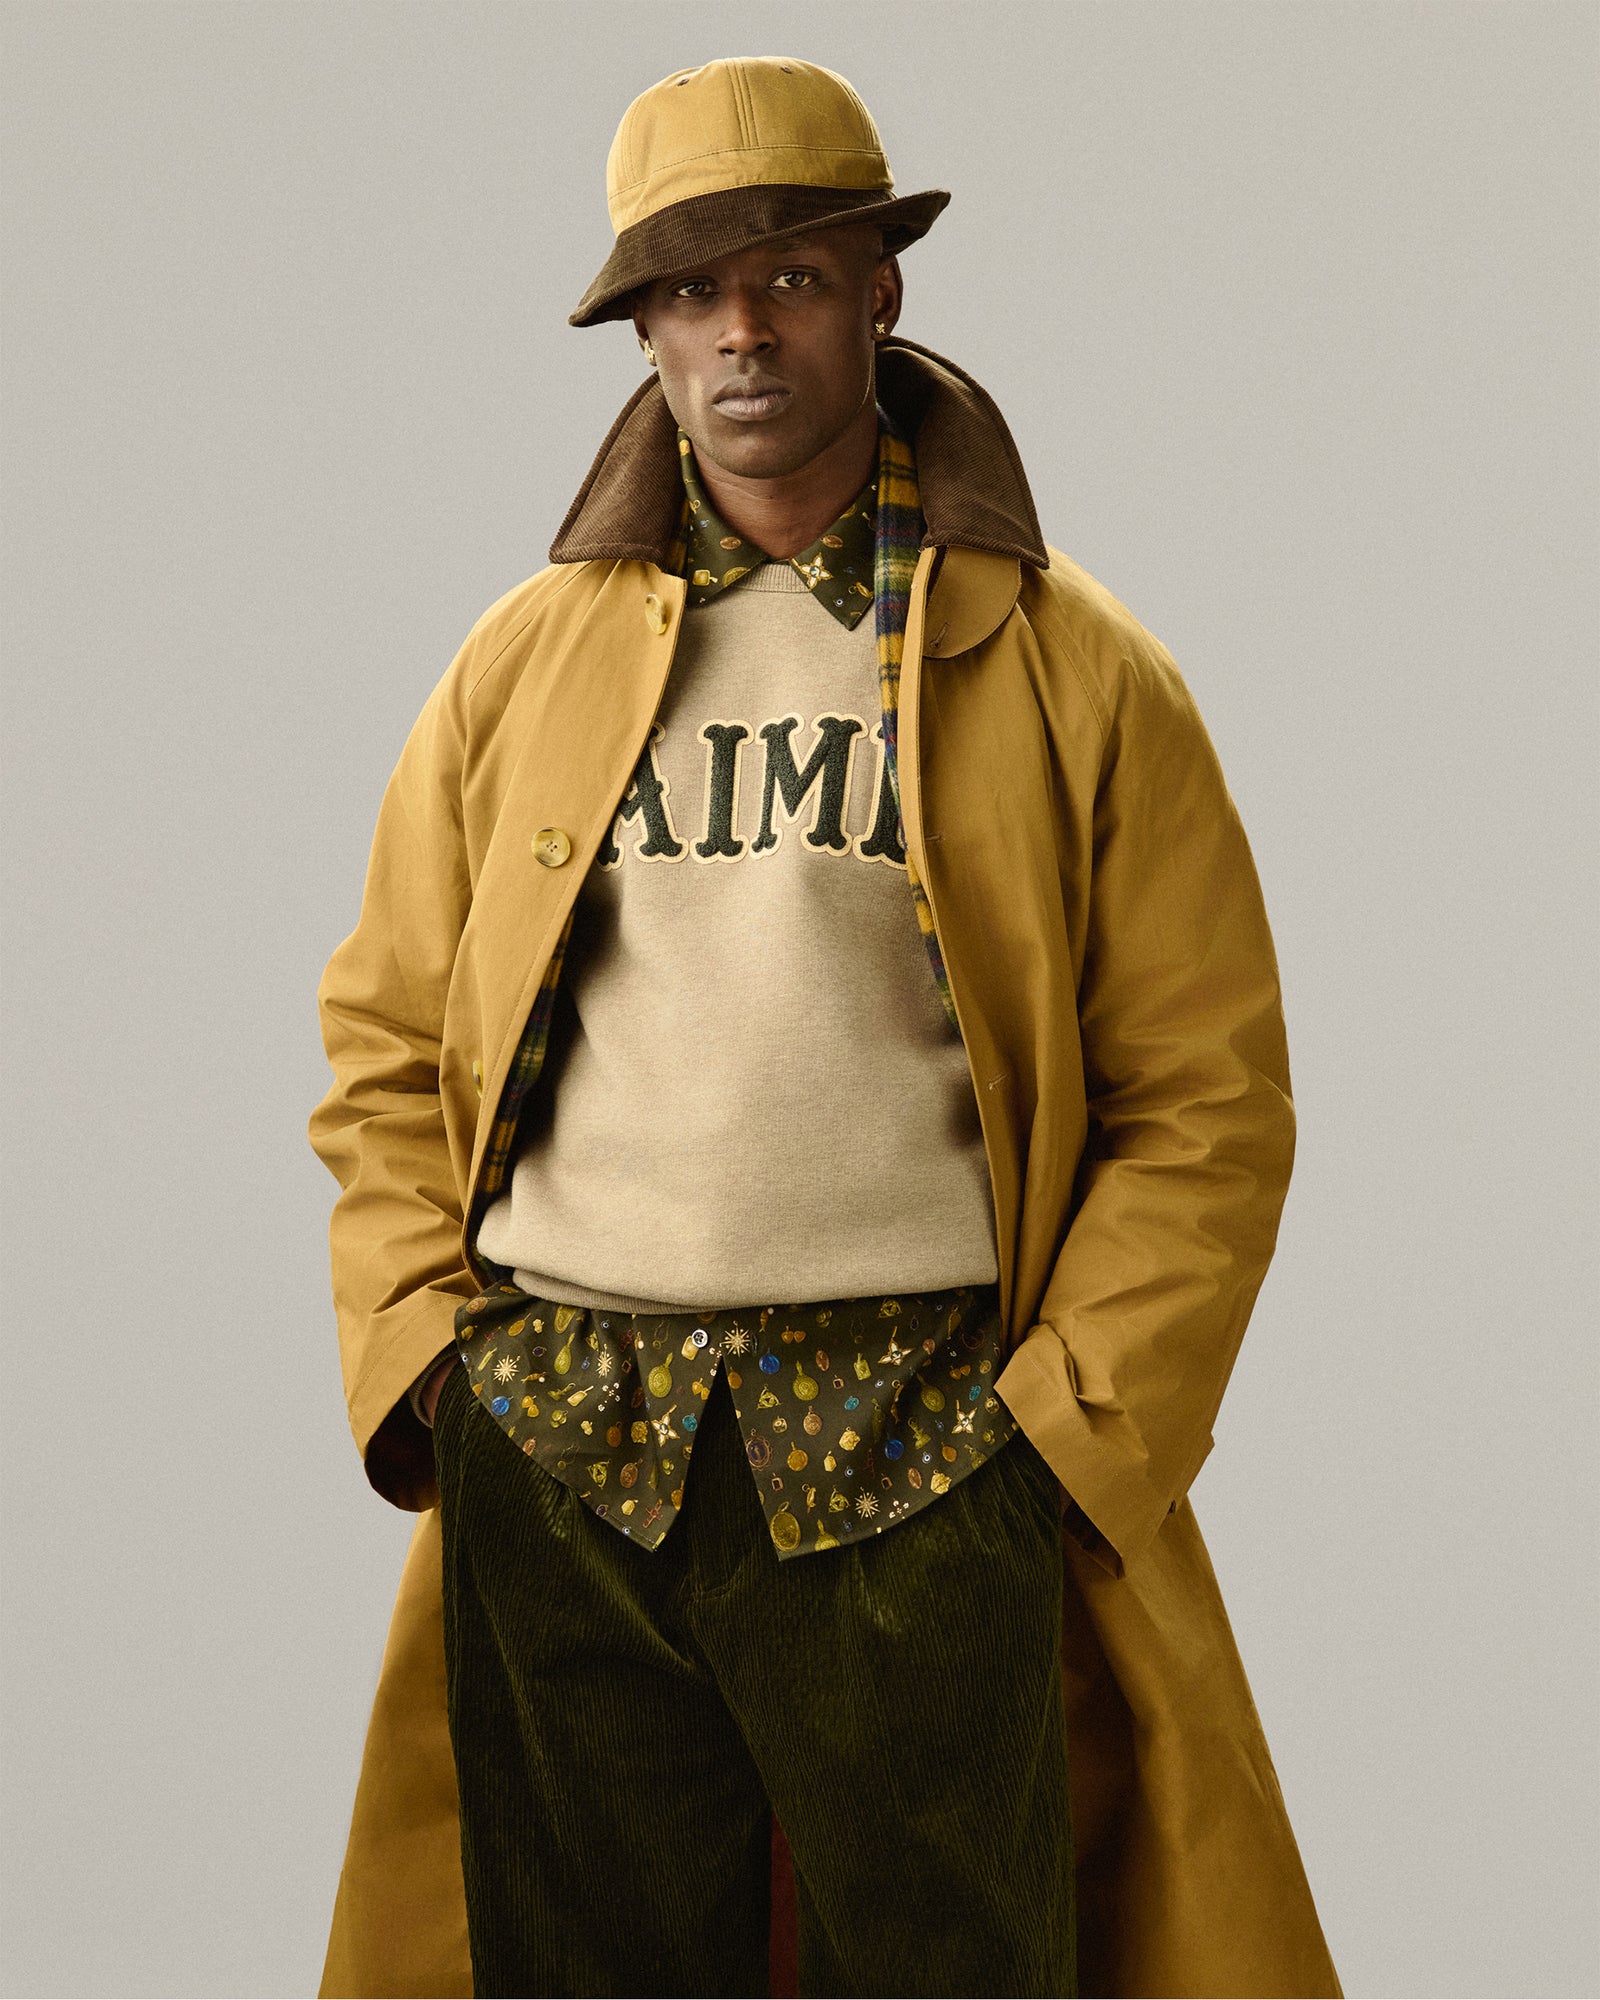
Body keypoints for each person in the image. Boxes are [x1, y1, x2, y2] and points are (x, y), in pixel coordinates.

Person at [309, 56, 1341, 2000]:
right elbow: (381, 1043)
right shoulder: (517, 666)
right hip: (570, 1433)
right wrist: (434, 1364)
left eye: (786, 275)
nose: (739, 332)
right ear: (641, 328)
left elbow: (1207, 1099)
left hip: (922, 1433)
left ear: (879, 289)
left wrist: (1058, 1440)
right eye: (690, 291)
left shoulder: (1074, 667)